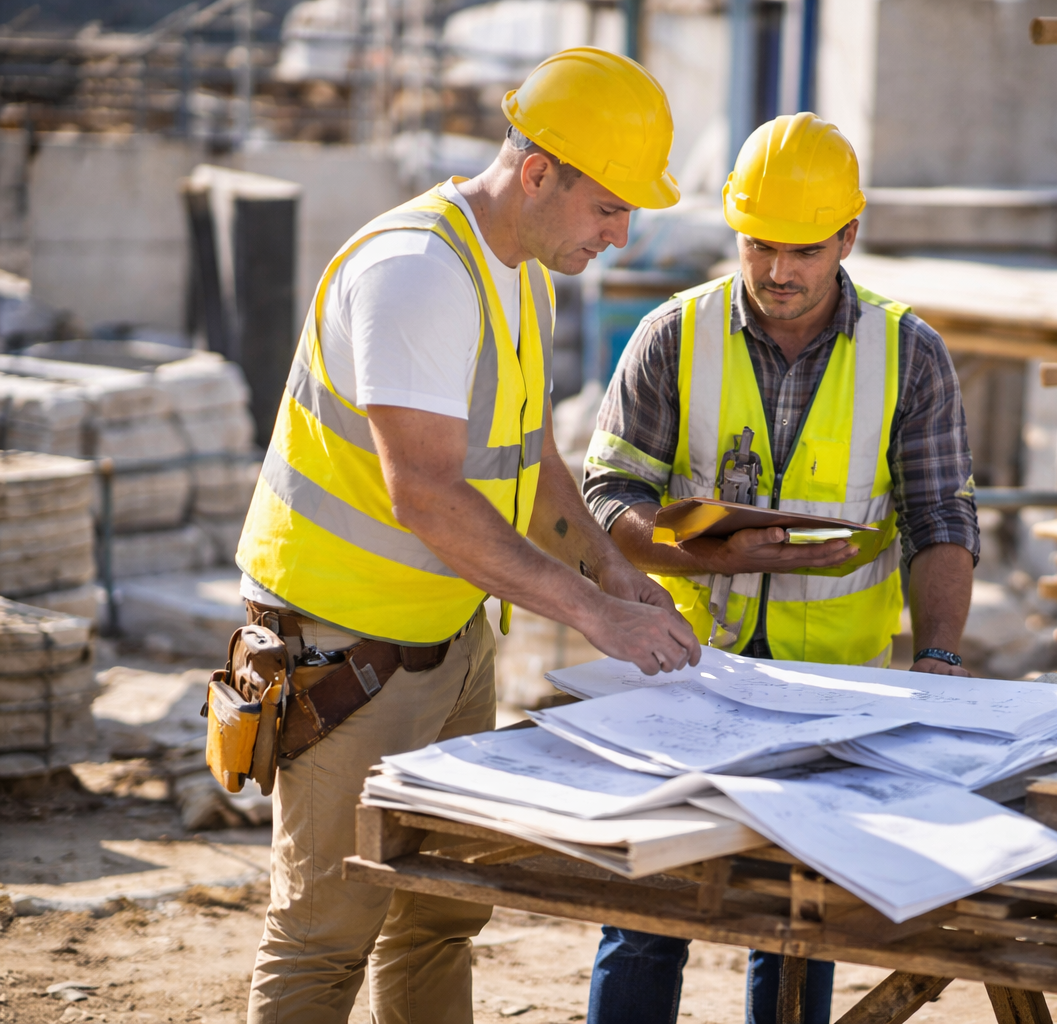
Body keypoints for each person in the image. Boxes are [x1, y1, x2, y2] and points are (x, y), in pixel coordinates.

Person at [236, 48, 701, 1024]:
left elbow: (525, 458)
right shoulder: (417, 275)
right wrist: (593, 616)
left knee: (440, 914)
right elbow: (429, 494)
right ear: (538, 173)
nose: (620, 238)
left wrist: (615, 575)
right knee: (324, 937)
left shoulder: (518, 266)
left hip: (448, 639)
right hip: (343, 654)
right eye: (609, 208)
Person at [581, 112, 980, 1024]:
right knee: (646, 910)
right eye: (760, 245)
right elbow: (606, 500)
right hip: (682, 672)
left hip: (831, 687)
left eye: (804, 249)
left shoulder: (908, 354)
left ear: (848, 234)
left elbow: (940, 517)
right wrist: (703, 551)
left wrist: (942, 659)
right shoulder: (672, 337)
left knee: (800, 921)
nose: (778, 272)